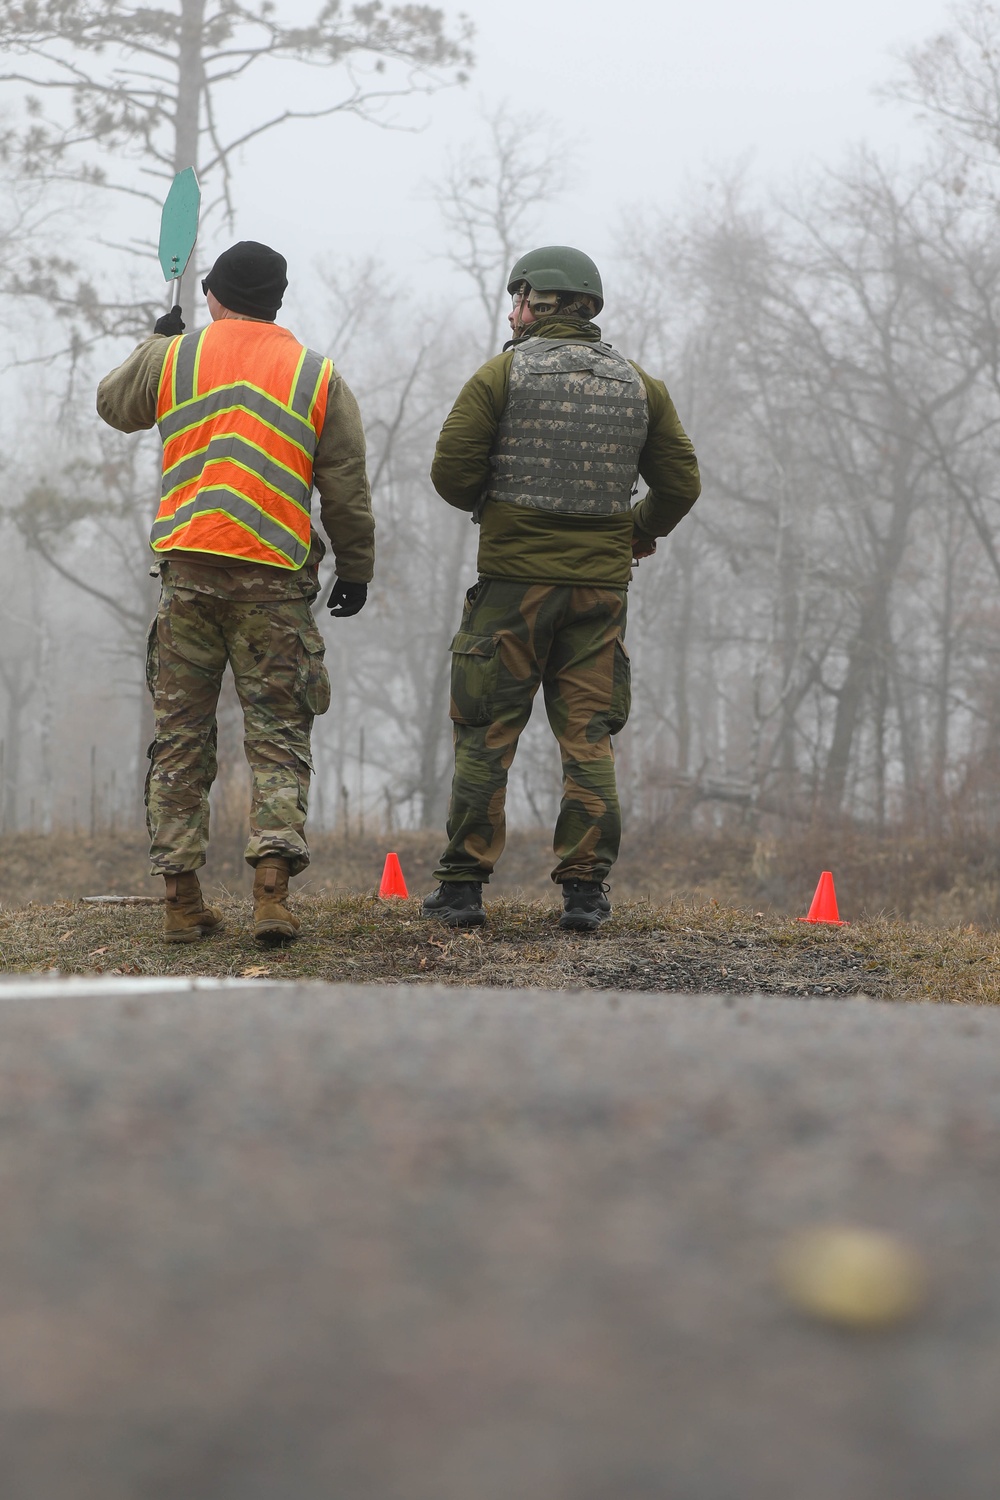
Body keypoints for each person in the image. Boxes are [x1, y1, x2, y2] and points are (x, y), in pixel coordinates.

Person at [97, 241, 374, 944]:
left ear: (214, 294)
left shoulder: (175, 357)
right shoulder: (318, 375)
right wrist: (357, 567)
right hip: (274, 582)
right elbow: (344, 486)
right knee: (279, 738)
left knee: (181, 741)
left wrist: (153, 344)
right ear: (277, 301)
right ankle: (272, 897)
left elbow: (112, 405)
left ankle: (181, 903)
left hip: (187, 577)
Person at [421, 245, 700, 932]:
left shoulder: (500, 375)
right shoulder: (639, 385)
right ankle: (585, 895)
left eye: (518, 299)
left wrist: (502, 508)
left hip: (512, 589)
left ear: (537, 302)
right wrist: (632, 531)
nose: (513, 312)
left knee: (487, 732)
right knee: (588, 737)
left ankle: (462, 891)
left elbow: (451, 473)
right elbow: (681, 485)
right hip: (599, 593)